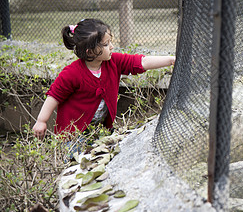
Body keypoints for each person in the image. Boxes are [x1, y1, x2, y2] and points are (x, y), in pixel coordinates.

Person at [32, 19, 175, 139]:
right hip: (74, 135)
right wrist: (41, 120)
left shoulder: (114, 61)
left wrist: (171, 60)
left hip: (101, 131)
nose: (112, 47)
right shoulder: (72, 73)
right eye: (106, 45)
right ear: (90, 51)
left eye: (110, 42)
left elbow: (141, 62)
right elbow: (54, 96)